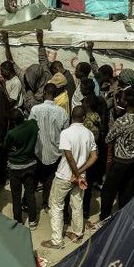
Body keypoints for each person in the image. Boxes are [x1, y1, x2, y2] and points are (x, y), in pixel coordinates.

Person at [41, 106, 98, 249]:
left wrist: (76, 174)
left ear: (71, 117)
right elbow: (94, 156)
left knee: (56, 205)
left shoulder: (66, 133)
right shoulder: (89, 134)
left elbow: (68, 156)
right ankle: (77, 233)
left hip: (64, 176)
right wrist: (80, 173)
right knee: (77, 204)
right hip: (80, 177)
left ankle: (56, 241)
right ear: (84, 118)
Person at [99, 88, 134, 222]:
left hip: (120, 161)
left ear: (124, 101)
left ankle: (105, 218)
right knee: (126, 189)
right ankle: (123, 215)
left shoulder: (121, 121)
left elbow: (108, 138)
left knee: (108, 191)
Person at [29, 83, 69, 213]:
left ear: (45, 92)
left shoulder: (35, 110)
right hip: (55, 152)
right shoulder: (62, 113)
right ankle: (46, 204)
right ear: (56, 95)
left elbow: (30, 128)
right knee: (49, 181)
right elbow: (65, 134)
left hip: (38, 151)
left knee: (34, 179)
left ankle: (29, 204)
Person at [4, 109, 39, 228]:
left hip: (15, 167)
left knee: (16, 195)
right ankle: (33, 221)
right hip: (30, 164)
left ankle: (18, 221)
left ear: (13, 122)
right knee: (30, 193)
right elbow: (34, 122)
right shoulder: (32, 125)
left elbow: (6, 147)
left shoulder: (12, 133)